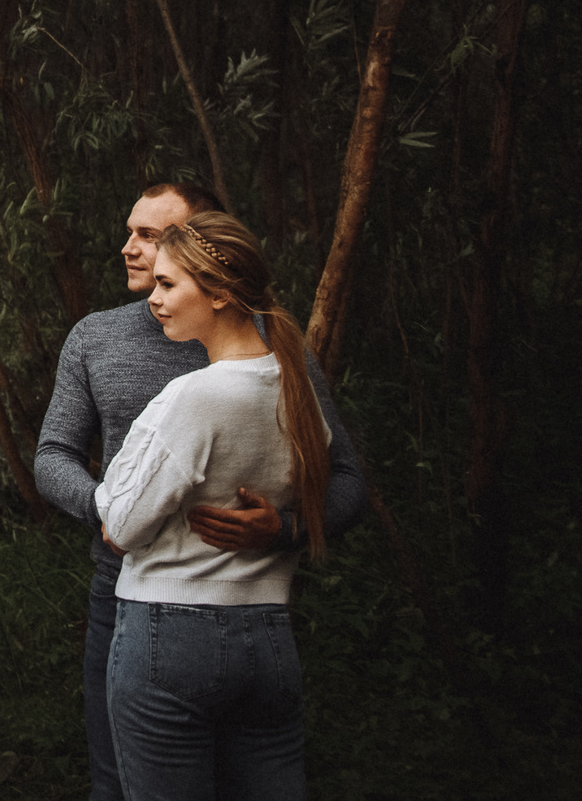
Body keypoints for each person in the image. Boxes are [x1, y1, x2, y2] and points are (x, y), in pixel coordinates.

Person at [35, 184, 365, 801]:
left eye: (153, 236)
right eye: (131, 232)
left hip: (239, 602)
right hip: (126, 589)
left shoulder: (278, 350)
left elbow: (343, 478)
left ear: (209, 254)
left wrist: (284, 530)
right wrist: (101, 506)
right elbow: (53, 455)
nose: (130, 248)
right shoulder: (96, 339)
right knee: (116, 783)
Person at [95, 212, 328, 800]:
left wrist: (114, 481)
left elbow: (119, 525)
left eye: (168, 284)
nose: (154, 298)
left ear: (220, 293)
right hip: (269, 637)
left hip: (169, 636)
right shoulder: (293, 385)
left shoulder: (193, 396)